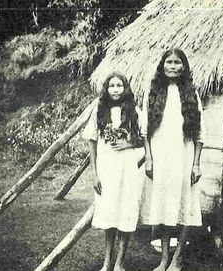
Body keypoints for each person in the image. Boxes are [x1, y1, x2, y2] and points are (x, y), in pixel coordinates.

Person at [140, 48, 205, 271]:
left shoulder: (192, 94)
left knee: (186, 204)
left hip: (184, 157)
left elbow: (200, 133)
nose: (173, 66)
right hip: (160, 157)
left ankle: (178, 259)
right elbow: (144, 132)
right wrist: (149, 158)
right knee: (165, 206)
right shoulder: (152, 93)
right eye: (169, 62)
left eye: (178, 62)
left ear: (184, 66)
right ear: (162, 65)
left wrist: (196, 163)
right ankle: (164, 258)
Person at [82, 72, 143, 271]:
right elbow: (91, 140)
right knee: (109, 214)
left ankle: (120, 263)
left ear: (125, 88)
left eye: (119, 85)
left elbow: (145, 137)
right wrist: (94, 173)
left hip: (127, 170)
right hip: (107, 169)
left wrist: (128, 144)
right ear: (106, 89)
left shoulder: (135, 111)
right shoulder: (99, 111)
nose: (115, 89)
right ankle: (107, 261)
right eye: (112, 86)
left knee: (125, 212)